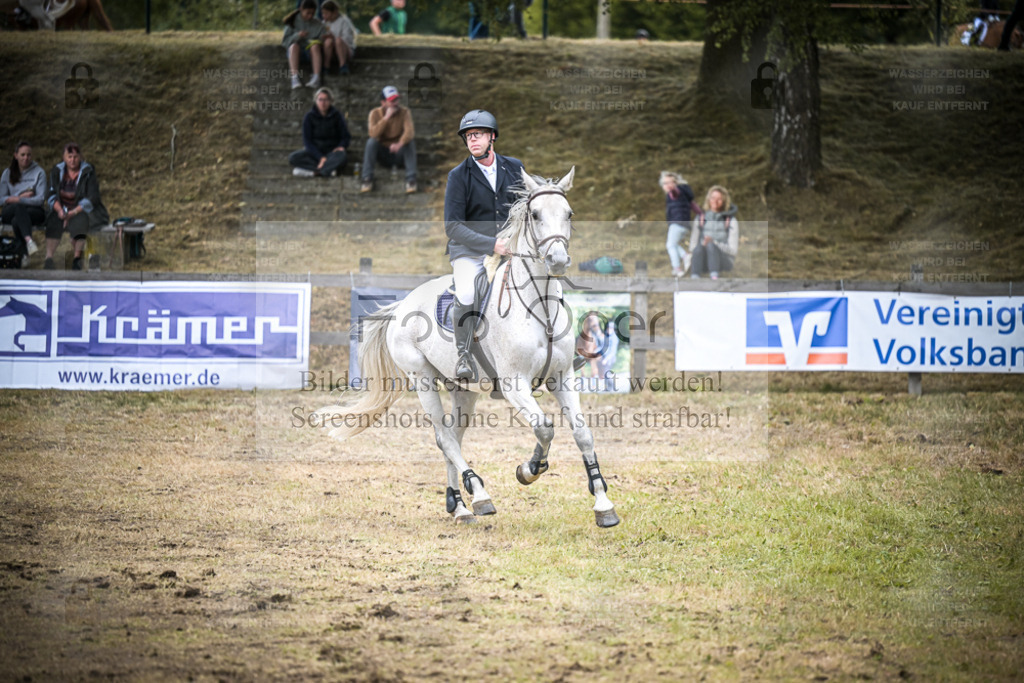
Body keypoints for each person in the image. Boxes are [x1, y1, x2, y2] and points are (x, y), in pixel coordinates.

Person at [443, 109, 524, 381]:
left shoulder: (515, 167)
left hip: (509, 249)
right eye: (468, 136)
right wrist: (492, 245)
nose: (472, 140)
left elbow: (526, 209)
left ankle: (555, 345)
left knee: (540, 279)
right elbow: (453, 227)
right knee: (467, 293)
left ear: (492, 137)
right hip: (469, 251)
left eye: (477, 134)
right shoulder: (458, 176)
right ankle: (464, 355)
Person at [44, 143, 109, 271]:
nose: (72, 160)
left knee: (80, 221)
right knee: (53, 220)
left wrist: (73, 212)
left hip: (80, 210)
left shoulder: (88, 171)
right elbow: (50, 194)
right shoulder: (57, 171)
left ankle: (77, 258)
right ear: (64, 158)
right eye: (69, 157)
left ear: (80, 157)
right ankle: (49, 258)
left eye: (75, 157)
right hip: (62, 208)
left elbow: (93, 197)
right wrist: (60, 211)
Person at [360, 86, 416, 193]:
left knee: (410, 142)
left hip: (399, 152)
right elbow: (373, 134)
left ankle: (411, 180)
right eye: (392, 101)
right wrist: (386, 118)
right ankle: (367, 179)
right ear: (383, 102)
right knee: (371, 142)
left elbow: (410, 132)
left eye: (397, 99)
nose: (395, 103)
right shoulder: (374, 113)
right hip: (383, 153)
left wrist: (399, 144)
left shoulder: (404, 112)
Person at [289, 87, 351, 178]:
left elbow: (346, 136)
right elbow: (307, 142)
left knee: (342, 156)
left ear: (330, 101)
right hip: (314, 153)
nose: (323, 103)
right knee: (293, 158)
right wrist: (320, 157)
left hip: (331, 152)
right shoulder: (309, 117)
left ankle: (315, 172)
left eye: (326, 100)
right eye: (320, 100)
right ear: (316, 101)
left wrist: (341, 146)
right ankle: (326, 170)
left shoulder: (337, 116)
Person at [0, 141, 46, 263]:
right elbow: (1, 199)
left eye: (29, 155)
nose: (26, 158)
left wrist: (20, 200)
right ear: (16, 155)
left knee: (17, 219)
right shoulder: (7, 173)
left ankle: (25, 251)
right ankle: (29, 241)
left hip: (33, 211)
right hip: (10, 210)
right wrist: (19, 197)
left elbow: (40, 199)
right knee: (18, 208)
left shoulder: (39, 172)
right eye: (23, 155)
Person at [689, 185, 738, 281]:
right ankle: (694, 279)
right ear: (708, 199)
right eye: (713, 198)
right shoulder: (700, 218)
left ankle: (714, 278)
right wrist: (703, 245)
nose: (715, 201)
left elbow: (733, 251)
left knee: (711, 246)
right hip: (703, 259)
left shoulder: (731, 220)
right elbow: (692, 245)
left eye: (719, 199)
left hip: (724, 261)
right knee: (698, 248)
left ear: (724, 201)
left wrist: (714, 243)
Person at [660, 170, 699, 277]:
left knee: (670, 245)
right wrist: (701, 214)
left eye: (670, 182)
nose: (667, 185)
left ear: (676, 183)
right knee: (674, 244)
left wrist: (672, 189)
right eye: (665, 183)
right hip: (684, 225)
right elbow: (693, 205)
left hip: (677, 223)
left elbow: (675, 193)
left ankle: (677, 267)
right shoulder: (685, 194)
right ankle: (685, 256)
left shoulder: (675, 192)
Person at [283, 0, 326, 90]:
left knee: (315, 46)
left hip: (310, 52)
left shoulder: (318, 24)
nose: (310, 16)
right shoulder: (292, 21)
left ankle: (316, 77)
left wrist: (321, 39)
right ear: (301, 10)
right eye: (308, 13)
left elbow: (322, 39)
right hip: (295, 52)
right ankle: (294, 77)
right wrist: (297, 36)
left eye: (312, 13)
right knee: (294, 46)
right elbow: (285, 42)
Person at [320, 0, 356, 75]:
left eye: (326, 13)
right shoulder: (324, 23)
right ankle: (326, 66)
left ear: (334, 12)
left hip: (345, 50)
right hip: (330, 51)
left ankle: (343, 65)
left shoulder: (344, 21)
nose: (324, 16)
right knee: (328, 41)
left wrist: (334, 38)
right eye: (323, 13)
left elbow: (348, 39)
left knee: (338, 40)